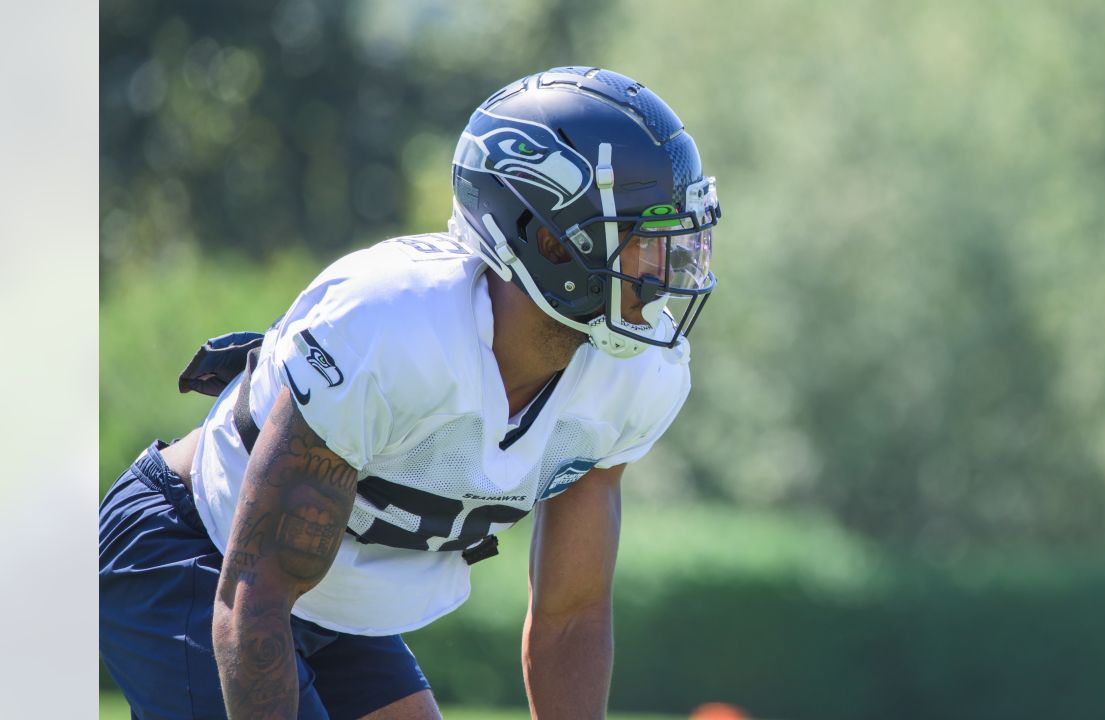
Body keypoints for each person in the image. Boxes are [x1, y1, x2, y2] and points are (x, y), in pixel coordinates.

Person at [99, 66, 721, 719]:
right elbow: (251, 599)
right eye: (647, 238)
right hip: (195, 548)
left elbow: (570, 618)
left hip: (324, 589)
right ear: (551, 241)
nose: (669, 269)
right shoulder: (394, 327)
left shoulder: (637, 376)